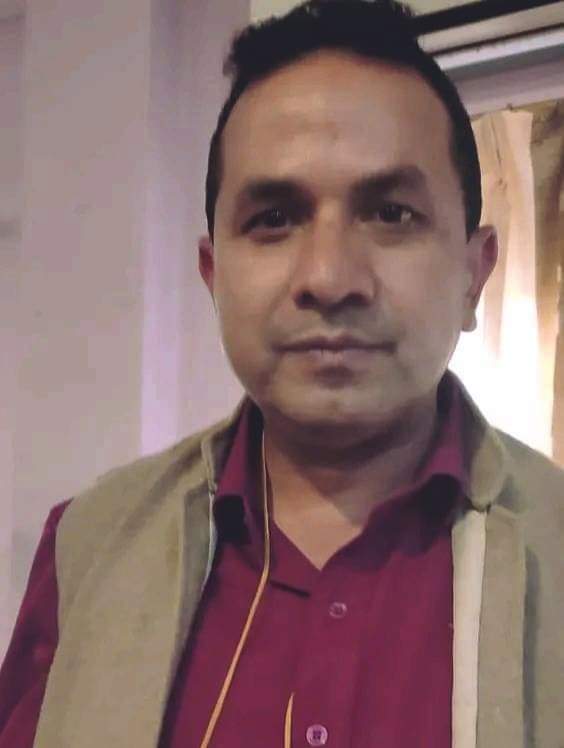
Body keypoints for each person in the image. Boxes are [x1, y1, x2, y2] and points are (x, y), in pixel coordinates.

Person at [1, 1, 563, 746]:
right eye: (273, 219)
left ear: (473, 273)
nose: (329, 278)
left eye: (392, 213)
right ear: (214, 276)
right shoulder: (88, 547)